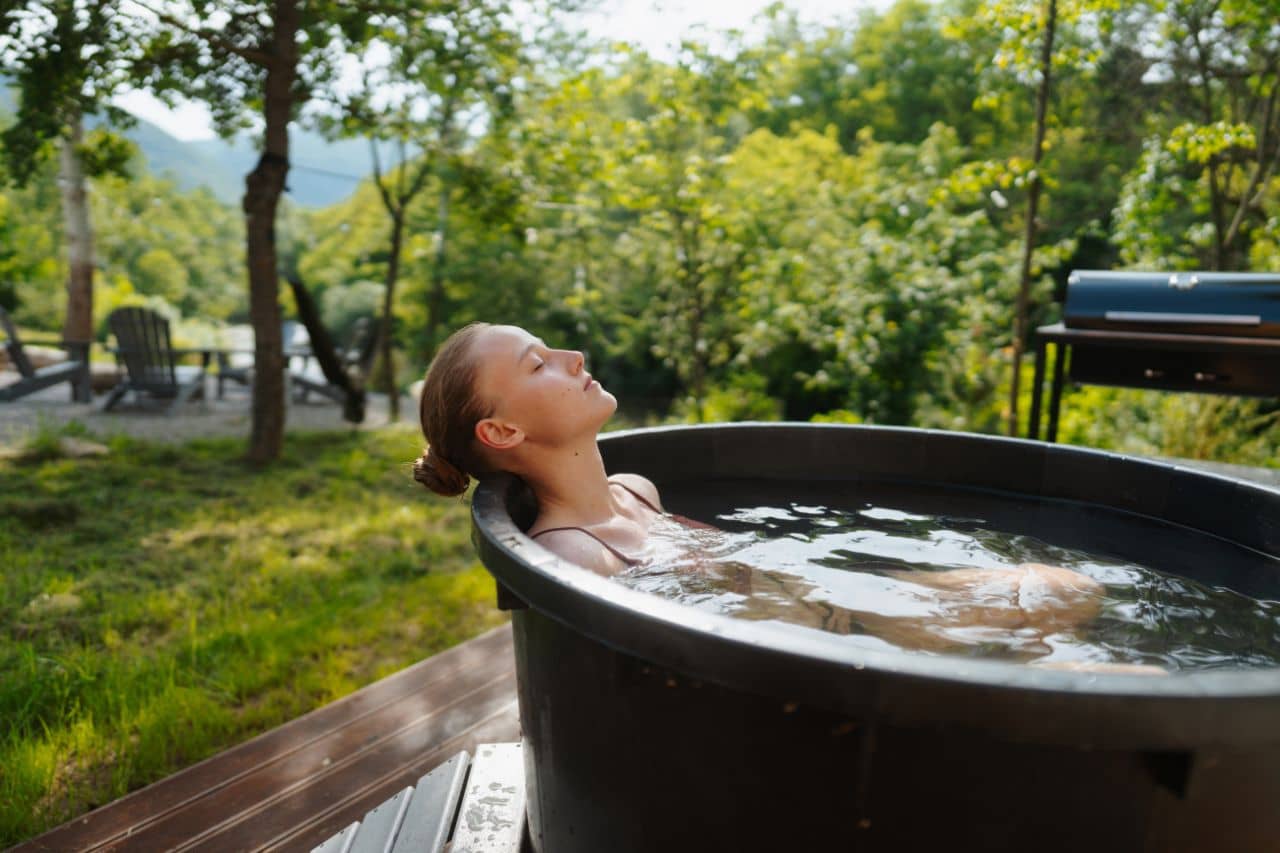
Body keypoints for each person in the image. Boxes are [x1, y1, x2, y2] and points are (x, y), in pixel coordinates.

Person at [413, 323, 1163, 673]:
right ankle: (1029, 671)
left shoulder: (635, 491)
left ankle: (1030, 660)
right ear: (503, 430)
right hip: (845, 642)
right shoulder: (573, 553)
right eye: (538, 363)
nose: (574, 355)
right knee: (1129, 687)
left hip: (855, 595)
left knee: (1068, 587)